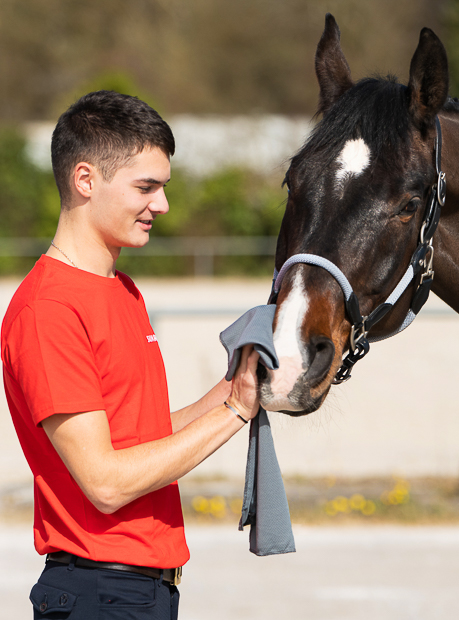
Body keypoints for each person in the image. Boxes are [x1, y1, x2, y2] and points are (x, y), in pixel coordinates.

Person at [1, 90, 260, 619]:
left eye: (163, 187)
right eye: (146, 187)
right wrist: (237, 413)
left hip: (143, 592)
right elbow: (106, 482)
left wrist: (237, 386)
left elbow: (141, 437)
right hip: (99, 592)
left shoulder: (123, 291)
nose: (162, 205)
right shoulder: (48, 308)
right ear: (85, 180)